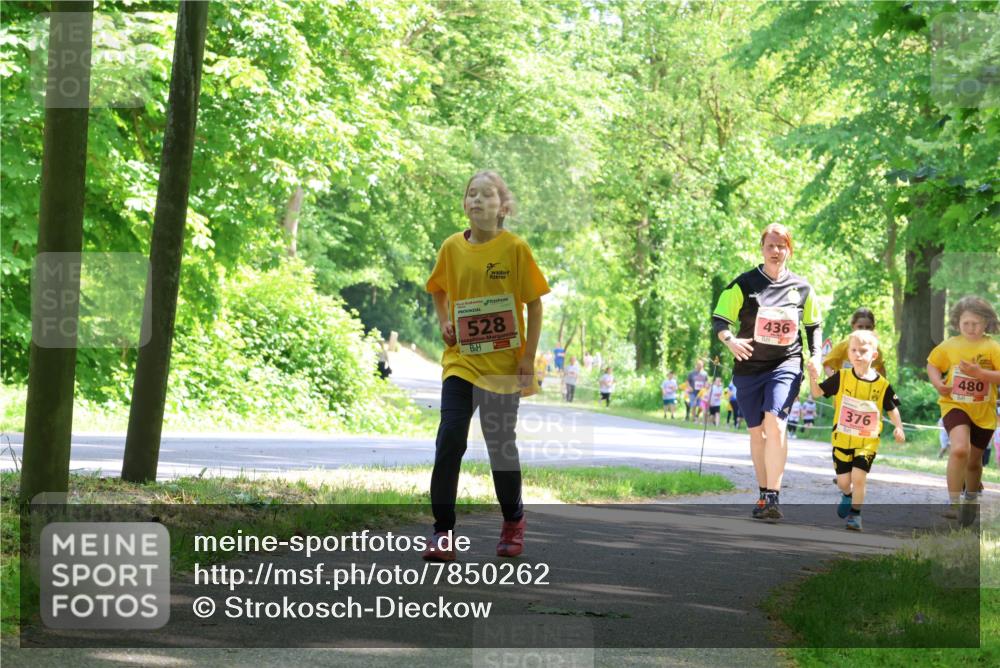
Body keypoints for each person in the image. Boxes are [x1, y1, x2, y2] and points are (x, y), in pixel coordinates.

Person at [424, 170, 549, 561]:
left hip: (502, 367)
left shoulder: (515, 248)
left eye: (486, 195)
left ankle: (514, 520)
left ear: (503, 207)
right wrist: (444, 322)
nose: (476, 201)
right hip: (460, 362)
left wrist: (528, 357)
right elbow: (438, 289)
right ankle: (443, 531)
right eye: (470, 194)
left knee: (500, 448)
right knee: (449, 441)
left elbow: (534, 303)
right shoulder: (451, 247)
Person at [713, 223, 823, 520]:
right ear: (762, 248)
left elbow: (813, 326)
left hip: (785, 363)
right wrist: (730, 341)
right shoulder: (744, 284)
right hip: (749, 366)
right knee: (756, 432)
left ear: (790, 250)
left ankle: (773, 495)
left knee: (774, 424)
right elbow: (720, 321)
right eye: (771, 245)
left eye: (782, 246)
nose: (776, 251)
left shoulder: (802, 288)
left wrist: (817, 358)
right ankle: (763, 494)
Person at [808, 330, 905, 531]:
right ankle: (847, 494)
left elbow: (891, 408)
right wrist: (813, 376)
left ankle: (856, 515)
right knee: (844, 482)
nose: (858, 354)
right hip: (842, 439)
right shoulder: (841, 377)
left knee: (859, 477)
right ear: (848, 354)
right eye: (854, 350)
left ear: (874, 356)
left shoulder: (882, 384)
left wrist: (898, 427)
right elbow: (817, 393)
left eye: (863, 350)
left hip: (867, 442)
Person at [926, 296, 1000, 522]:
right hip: (954, 405)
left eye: (976, 323)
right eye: (966, 323)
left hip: (983, 411)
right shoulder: (950, 345)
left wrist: (981, 374)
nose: (970, 328)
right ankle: (954, 502)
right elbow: (933, 364)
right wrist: (939, 384)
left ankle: (970, 496)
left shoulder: (992, 347)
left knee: (974, 461)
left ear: (986, 323)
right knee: (959, 449)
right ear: (958, 322)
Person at [823, 308, 887, 378]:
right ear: (853, 326)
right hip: (845, 387)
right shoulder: (844, 346)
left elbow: (881, 371)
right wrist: (836, 382)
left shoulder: (875, 350)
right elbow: (827, 365)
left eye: (868, 327)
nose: (864, 330)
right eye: (860, 327)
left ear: (873, 328)